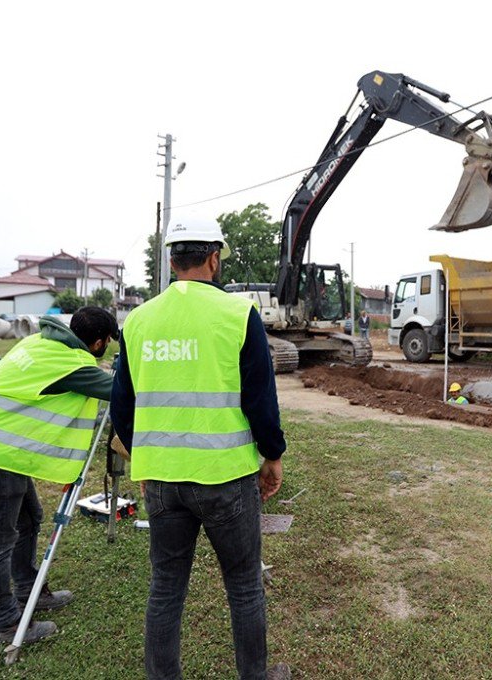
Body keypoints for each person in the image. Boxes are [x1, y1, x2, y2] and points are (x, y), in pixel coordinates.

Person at [111, 218, 289, 680]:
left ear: (171, 262)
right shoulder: (237, 314)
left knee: (166, 586)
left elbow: (122, 408)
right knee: (245, 586)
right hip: (226, 478)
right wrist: (272, 456)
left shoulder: (139, 320)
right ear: (214, 259)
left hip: (163, 481)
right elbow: (261, 399)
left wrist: (146, 455)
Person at [0, 307, 117, 646]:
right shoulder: (73, 366)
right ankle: (4, 624)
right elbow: (120, 391)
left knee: (29, 519)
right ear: (100, 342)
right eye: (108, 344)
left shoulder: (38, 343)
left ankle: (29, 590)